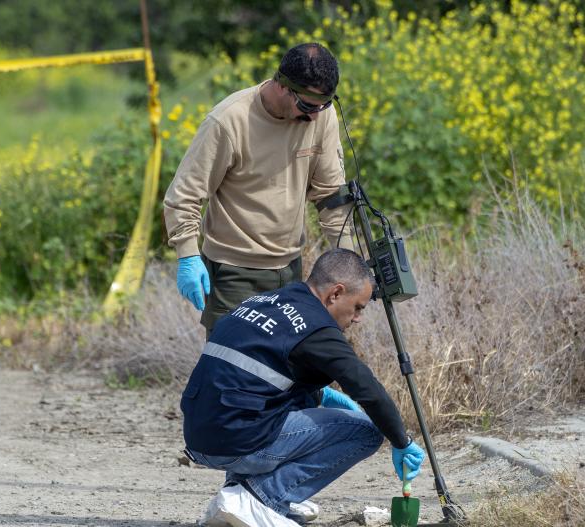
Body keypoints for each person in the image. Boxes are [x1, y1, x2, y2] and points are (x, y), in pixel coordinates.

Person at [180, 248, 426, 526]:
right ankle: (262, 498)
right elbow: (367, 389)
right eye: (358, 307)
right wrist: (400, 441)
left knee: (295, 401)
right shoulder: (316, 328)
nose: (358, 318)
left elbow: (256, 373)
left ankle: (235, 496)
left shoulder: (264, 301)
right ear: (336, 293)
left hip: (199, 438)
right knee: (367, 431)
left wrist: (320, 393)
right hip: (236, 443)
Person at [163, 42, 355, 334]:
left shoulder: (320, 115)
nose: (314, 116)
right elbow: (185, 196)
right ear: (282, 86)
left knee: (288, 369)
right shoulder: (228, 121)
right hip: (233, 272)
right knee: (235, 371)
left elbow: (331, 195)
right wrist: (188, 255)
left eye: (323, 106)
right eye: (307, 106)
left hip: (290, 268)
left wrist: (348, 261)